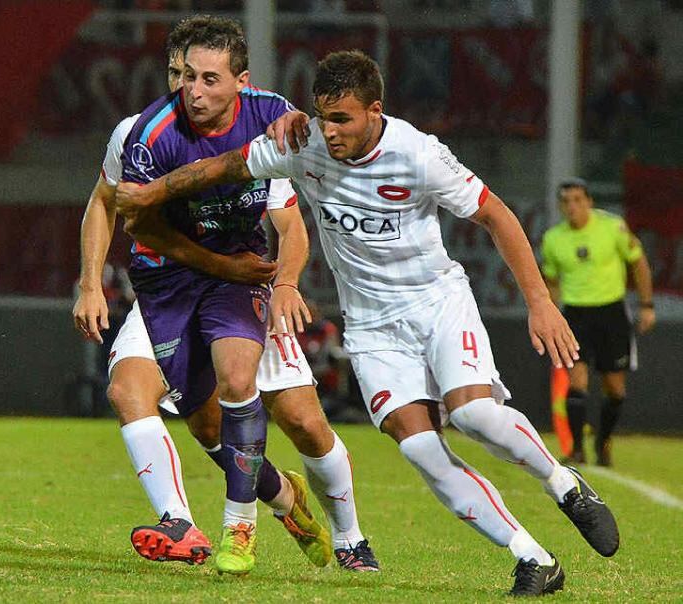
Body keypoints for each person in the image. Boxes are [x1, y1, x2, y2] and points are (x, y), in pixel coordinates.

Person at [117, 50, 621, 596]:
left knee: (474, 415)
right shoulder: (303, 143)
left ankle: (563, 483)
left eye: (342, 120)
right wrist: (151, 193)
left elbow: (494, 213)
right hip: (372, 326)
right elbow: (222, 167)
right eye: (322, 116)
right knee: (420, 449)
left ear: (374, 111)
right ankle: (532, 558)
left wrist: (540, 301)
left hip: (437, 304)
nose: (329, 132)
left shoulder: (419, 154)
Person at [75, 16, 376, 575]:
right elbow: (112, 207)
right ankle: (186, 521)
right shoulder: (139, 134)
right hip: (171, 279)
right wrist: (90, 281)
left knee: (305, 423)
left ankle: (350, 537)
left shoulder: (266, 127)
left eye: (204, 77)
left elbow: (291, 225)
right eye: (180, 75)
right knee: (140, 395)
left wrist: (283, 283)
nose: (187, 89)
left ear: (239, 81)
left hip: (242, 277)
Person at [541, 178, 654, 467]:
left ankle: (603, 441)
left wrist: (646, 305)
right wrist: (552, 316)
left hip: (611, 313)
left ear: (589, 201)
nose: (572, 207)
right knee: (576, 382)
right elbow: (551, 280)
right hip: (576, 315)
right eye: (566, 201)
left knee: (615, 389)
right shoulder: (553, 238)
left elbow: (638, 262)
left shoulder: (612, 227)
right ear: (560, 205)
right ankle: (577, 449)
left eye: (578, 200)